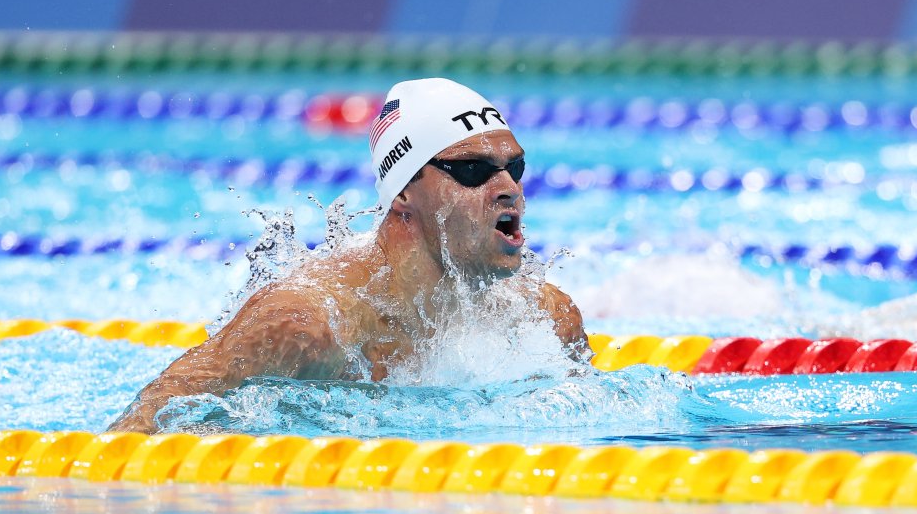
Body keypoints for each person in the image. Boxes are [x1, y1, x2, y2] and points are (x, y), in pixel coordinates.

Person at [109, 78, 588, 433]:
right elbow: (137, 434)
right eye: (472, 170)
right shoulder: (311, 324)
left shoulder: (545, 318)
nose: (509, 189)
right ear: (403, 193)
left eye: (515, 167)